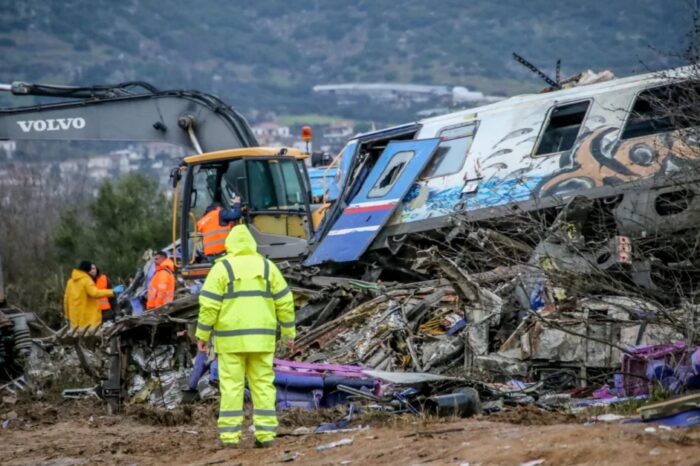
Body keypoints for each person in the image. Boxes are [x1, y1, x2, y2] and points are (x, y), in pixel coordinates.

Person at [195, 224, 295, 448]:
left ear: (229, 244)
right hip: (262, 340)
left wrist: (202, 334)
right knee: (263, 385)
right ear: (251, 243)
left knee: (231, 387)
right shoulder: (268, 267)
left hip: (231, 342)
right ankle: (266, 436)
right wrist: (288, 333)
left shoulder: (222, 269)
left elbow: (208, 306)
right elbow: (286, 302)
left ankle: (230, 438)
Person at [64, 260, 123, 329]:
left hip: (75, 319)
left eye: (93, 268)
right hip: (88, 318)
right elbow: (95, 293)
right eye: (90, 269)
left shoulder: (70, 282)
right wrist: (112, 291)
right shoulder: (86, 280)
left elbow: (66, 300)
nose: (91, 271)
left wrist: (67, 316)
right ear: (87, 270)